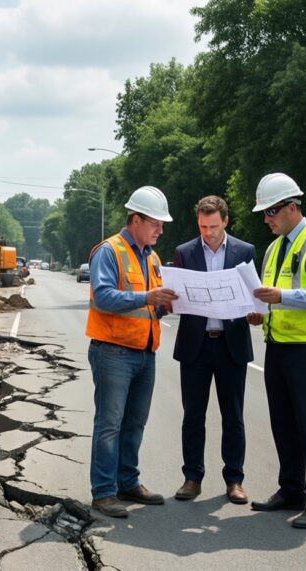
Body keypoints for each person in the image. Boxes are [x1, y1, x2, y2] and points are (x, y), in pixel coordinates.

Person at [247, 173, 306, 529]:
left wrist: (282, 298)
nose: (266, 219)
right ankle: (291, 490)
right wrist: (260, 313)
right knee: (283, 425)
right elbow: (273, 296)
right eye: (264, 213)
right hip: (279, 347)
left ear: (292, 206)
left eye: (271, 211)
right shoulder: (274, 248)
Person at [86, 186, 179, 519]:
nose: (160, 229)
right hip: (113, 351)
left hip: (144, 352)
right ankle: (104, 492)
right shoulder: (109, 251)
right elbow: (104, 297)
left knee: (135, 423)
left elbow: (152, 306)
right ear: (136, 219)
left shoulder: (152, 257)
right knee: (110, 424)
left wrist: (164, 305)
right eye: (156, 223)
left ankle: (128, 481)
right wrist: (147, 298)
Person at [172, 196, 255, 505]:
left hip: (231, 343)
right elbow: (177, 299)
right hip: (195, 345)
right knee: (193, 415)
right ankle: (192, 478)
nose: (208, 232)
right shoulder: (184, 252)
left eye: (214, 226)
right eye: (203, 226)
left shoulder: (245, 251)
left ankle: (234, 480)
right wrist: (171, 299)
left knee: (233, 416)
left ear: (226, 221)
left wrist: (255, 312)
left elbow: (252, 295)